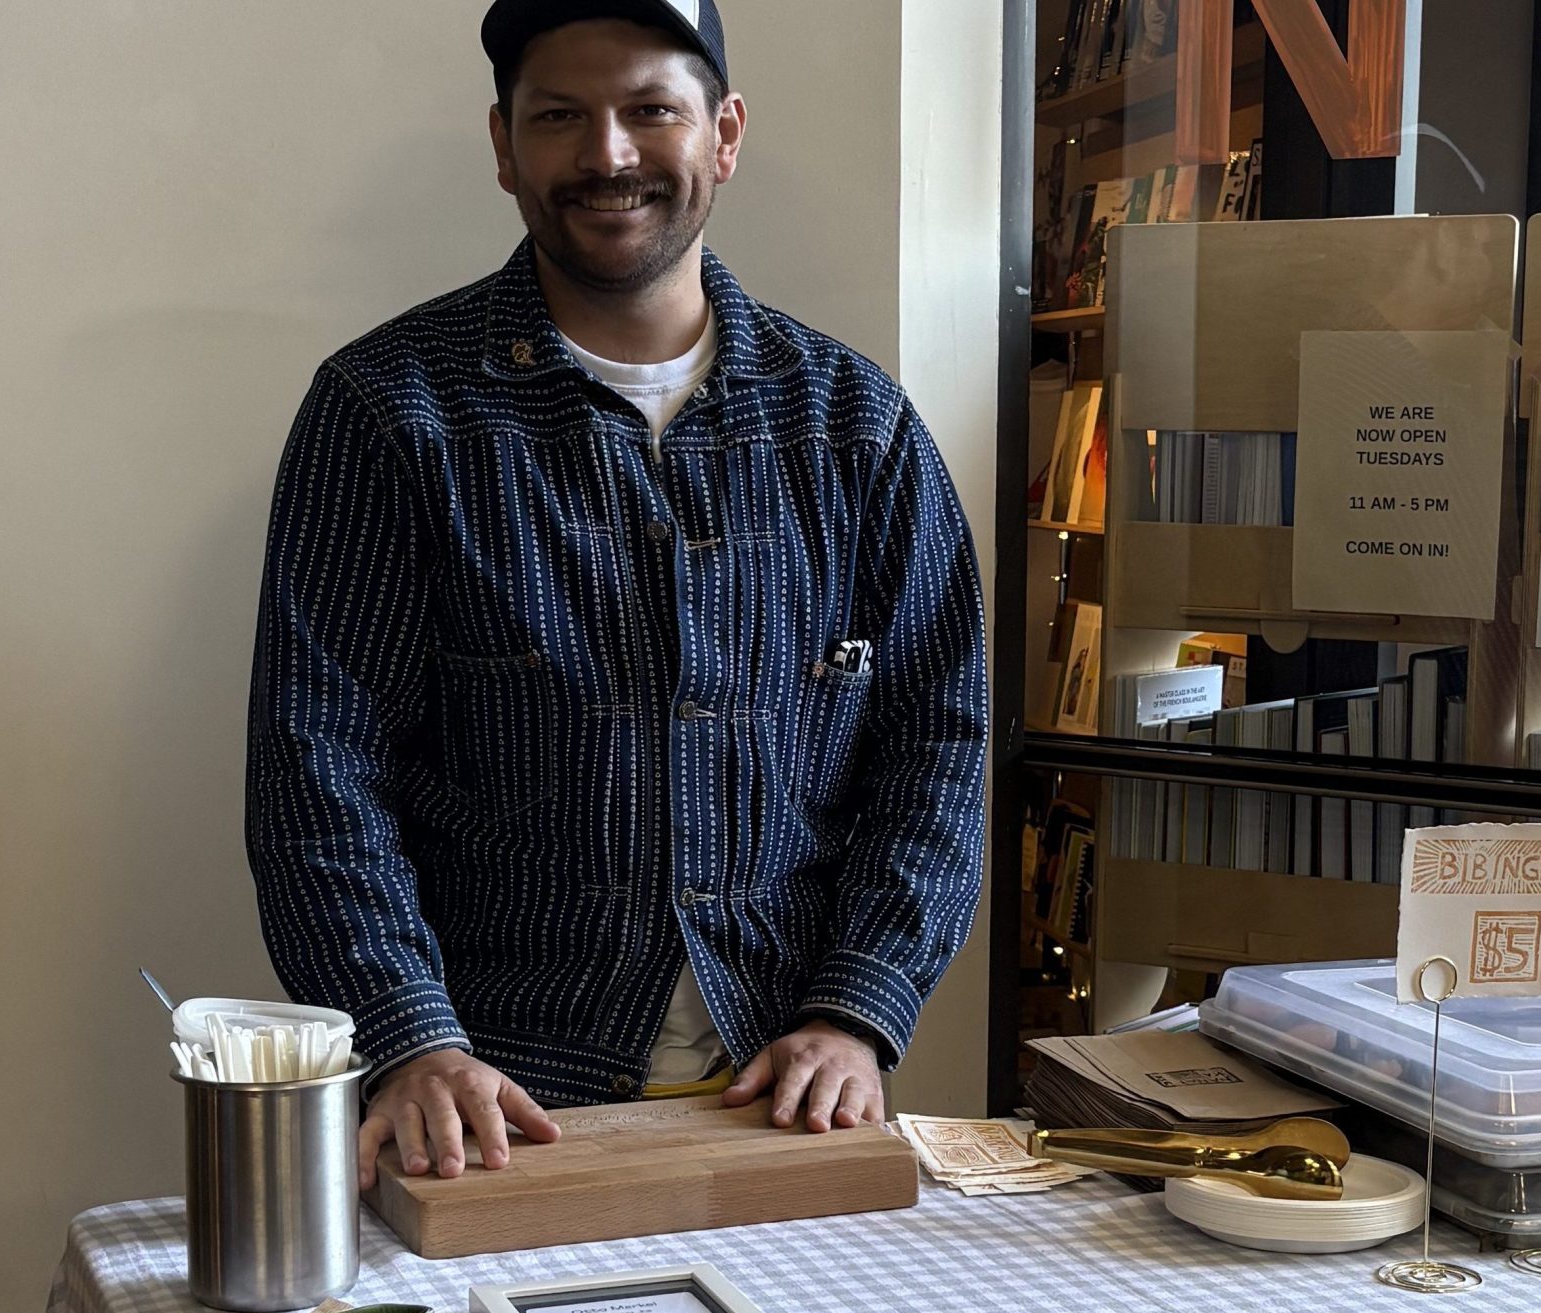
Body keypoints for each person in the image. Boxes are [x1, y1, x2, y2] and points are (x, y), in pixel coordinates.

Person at [245, 0, 988, 1191]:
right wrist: (407, 1037)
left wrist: (861, 1005)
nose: (608, 155)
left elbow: (937, 746)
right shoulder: (389, 414)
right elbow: (316, 766)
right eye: (560, 117)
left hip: (786, 1094)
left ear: (724, 134)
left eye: (651, 110)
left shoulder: (856, 428)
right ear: (503, 145)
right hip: (485, 1106)